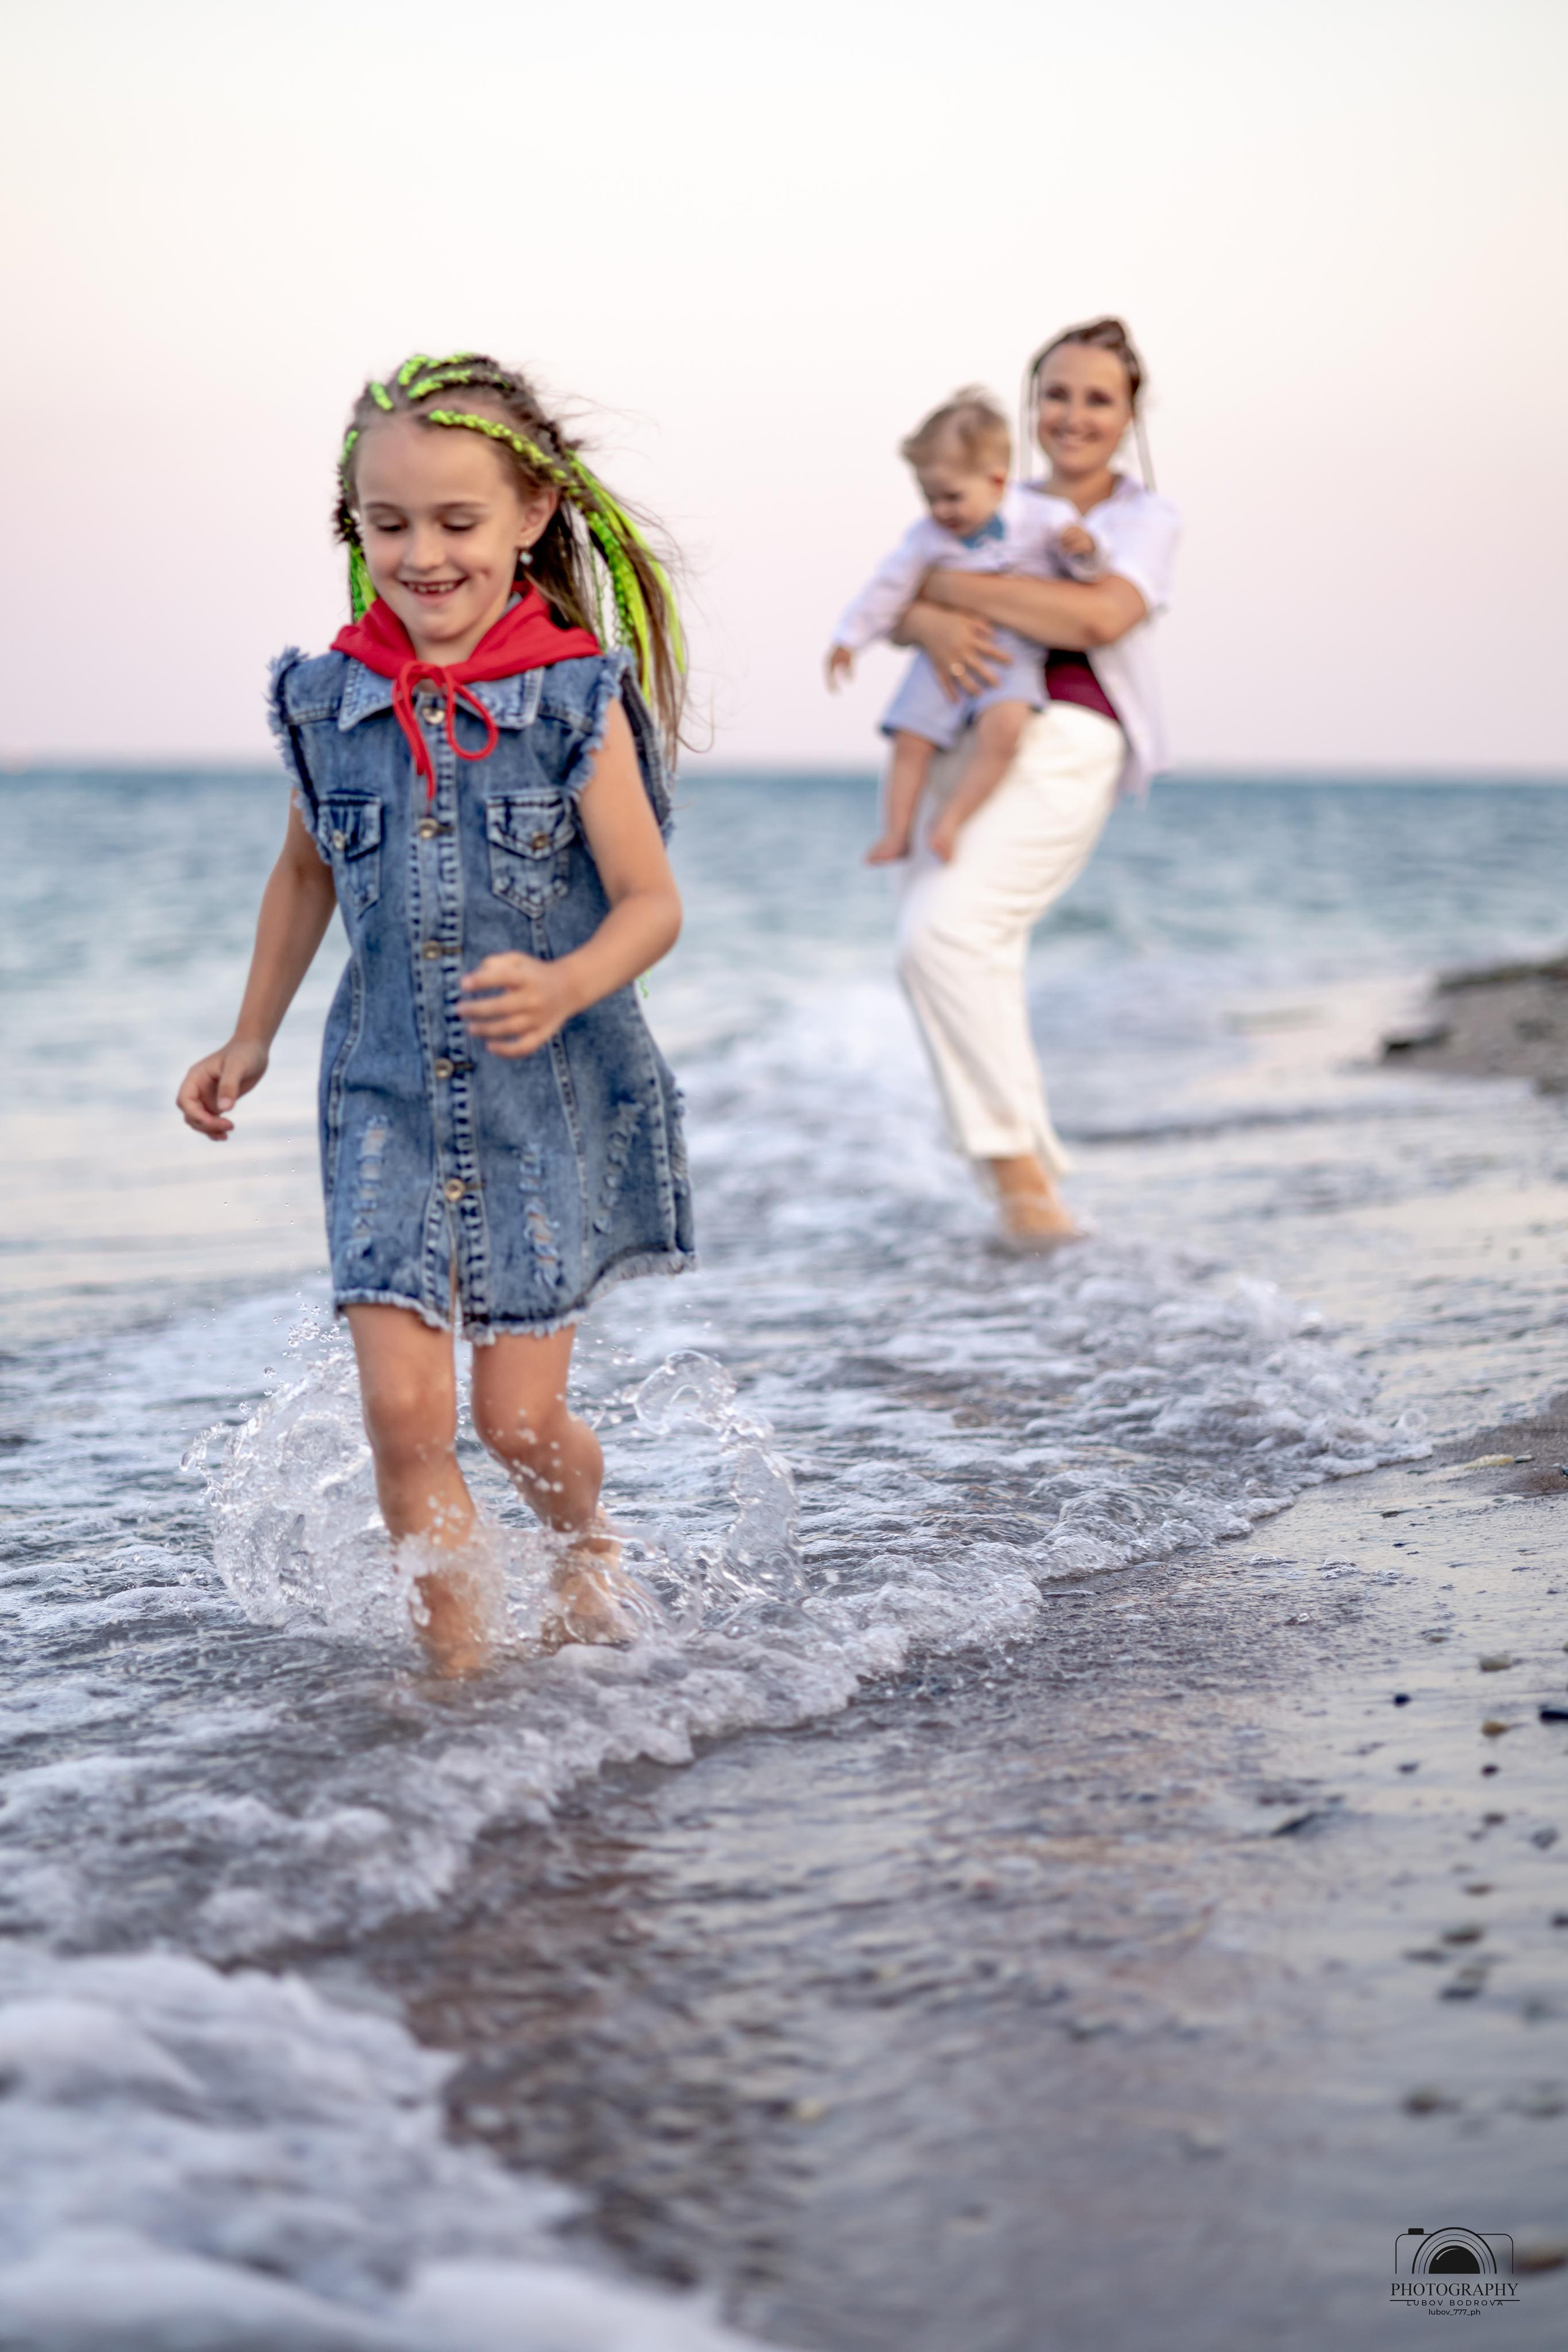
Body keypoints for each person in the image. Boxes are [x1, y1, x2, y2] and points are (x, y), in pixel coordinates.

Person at [176, 353, 694, 1675]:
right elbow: (304, 873)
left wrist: (570, 981)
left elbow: (649, 904)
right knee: (404, 1420)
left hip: (545, 1107)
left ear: (530, 517)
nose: (421, 554)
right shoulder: (324, 702)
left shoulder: (574, 702)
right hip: (382, 1097)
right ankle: (455, 1693)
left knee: (518, 1424)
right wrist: (252, 1037)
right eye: (386, 522)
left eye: (457, 523)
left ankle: (589, 1546)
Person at [889, 318, 1181, 1245]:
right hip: (963, 741)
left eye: (1099, 398)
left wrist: (952, 590)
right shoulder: (991, 497)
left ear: (1131, 414)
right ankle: (1031, 1193)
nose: (1073, 414)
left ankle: (1021, 1185)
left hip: (1068, 738)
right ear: (1030, 405)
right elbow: (897, 604)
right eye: (1056, 393)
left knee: (941, 938)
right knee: (978, 953)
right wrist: (929, 613)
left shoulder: (1142, 518)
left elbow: (1098, 616)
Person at [825, 391, 1103, 866]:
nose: (940, 511)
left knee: (1007, 729)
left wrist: (1085, 552)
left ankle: (951, 821)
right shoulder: (926, 538)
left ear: (997, 482)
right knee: (910, 739)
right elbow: (888, 588)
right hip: (939, 655)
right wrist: (850, 638)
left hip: (1012, 652)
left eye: (952, 497)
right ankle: (896, 833)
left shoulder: (1046, 518)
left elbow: (1085, 578)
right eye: (929, 498)